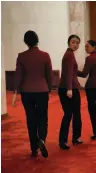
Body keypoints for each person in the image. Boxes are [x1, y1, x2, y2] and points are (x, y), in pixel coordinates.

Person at [13, 30, 52, 158]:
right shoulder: (45, 55)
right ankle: (41, 139)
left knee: (31, 119)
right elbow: (49, 75)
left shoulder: (21, 56)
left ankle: (34, 148)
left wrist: (15, 90)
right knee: (42, 117)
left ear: (25, 42)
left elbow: (18, 75)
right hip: (42, 90)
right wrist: (49, 88)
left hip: (27, 91)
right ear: (37, 40)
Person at [58, 35, 83, 150]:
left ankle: (68, 139)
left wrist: (82, 73)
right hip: (69, 89)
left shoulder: (70, 54)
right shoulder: (69, 55)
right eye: (73, 42)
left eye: (77, 42)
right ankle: (71, 139)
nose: (75, 44)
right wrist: (69, 88)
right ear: (68, 43)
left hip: (69, 87)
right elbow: (68, 73)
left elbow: (72, 71)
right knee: (71, 114)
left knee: (71, 114)